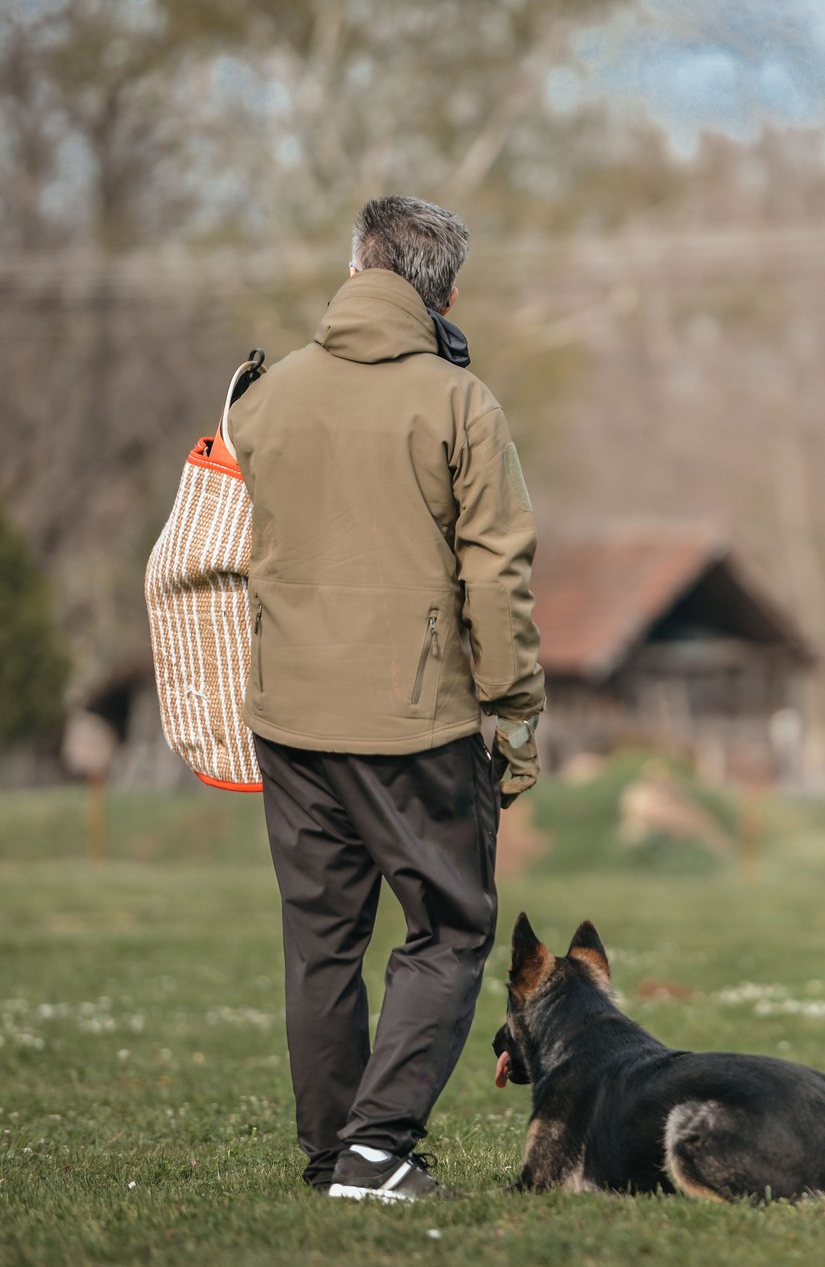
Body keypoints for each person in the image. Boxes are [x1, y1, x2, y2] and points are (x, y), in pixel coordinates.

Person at [227, 195, 545, 1202]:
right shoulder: (462, 403)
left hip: (287, 714)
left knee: (321, 937)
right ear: (442, 292)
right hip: (414, 722)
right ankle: (375, 1154)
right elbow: (497, 574)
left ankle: (335, 1156)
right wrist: (518, 711)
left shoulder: (260, 398)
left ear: (358, 266)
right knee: (449, 927)